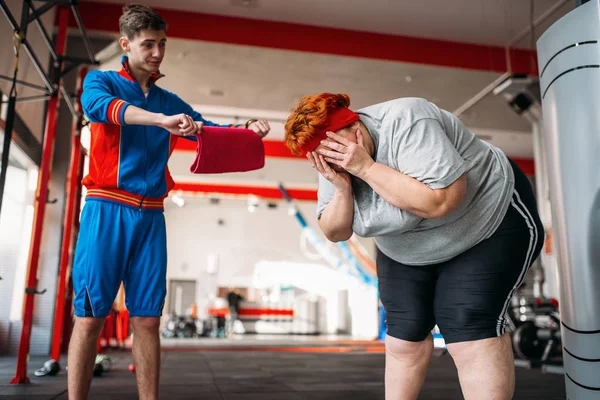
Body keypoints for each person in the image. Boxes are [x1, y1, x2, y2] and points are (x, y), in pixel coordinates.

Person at [69, 4, 270, 399]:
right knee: (90, 318)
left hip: (151, 217)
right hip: (106, 208)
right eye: (148, 44)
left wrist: (247, 130)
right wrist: (159, 120)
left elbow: (207, 131)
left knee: (146, 320)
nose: (157, 52)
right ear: (126, 45)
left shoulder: (169, 100)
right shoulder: (101, 81)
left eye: (162, 44)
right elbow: (99, 110)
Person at [284, 93, 543, 400]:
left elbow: (440, 201)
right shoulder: (332, 158)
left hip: (486, 221)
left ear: (355, 129)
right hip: (407, 246)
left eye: (337, 151)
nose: (333, 160)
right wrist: (341, 188)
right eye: (324, 156)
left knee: (466, 322)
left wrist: (364, 167)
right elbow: (335, 230)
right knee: (403, 336)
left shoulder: (408, 120)